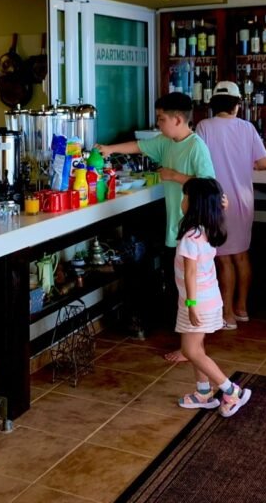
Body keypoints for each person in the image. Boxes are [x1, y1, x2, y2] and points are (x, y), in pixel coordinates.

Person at [96, 92, 215, 363]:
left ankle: (192, 348)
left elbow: (209, 185)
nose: (158, 124)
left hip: (191, 230)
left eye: (161, 119)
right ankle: (188, 345)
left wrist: (174, 175)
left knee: (191, 288)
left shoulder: (196, 147)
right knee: (179, 287)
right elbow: (139, 146)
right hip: (175, 228)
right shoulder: (166, 141)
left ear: (177, 119)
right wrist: (110, 149)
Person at [174, 177, 252, 417]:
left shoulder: (190, 238)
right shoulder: (208, 228)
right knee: (196, 347)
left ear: (195, 204)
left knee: (191, 351)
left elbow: (190, 273)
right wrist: (220, 204)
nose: (182, 201)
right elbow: (217, 208)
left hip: (196, 302)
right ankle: (203, 393)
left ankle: (231, 391)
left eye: (186, 197)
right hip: (206, 300)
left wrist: (191, 305)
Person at [196, 82, 266, 327]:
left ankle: (227, 315)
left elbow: (198, 162)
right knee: (241, 255)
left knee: (223, 259)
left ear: (213, 104)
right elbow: (265, 163)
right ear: (237, 105)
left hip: (218, 200)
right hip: (244, 201)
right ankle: (241, 308)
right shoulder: (247, 128)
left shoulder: (204, 126)